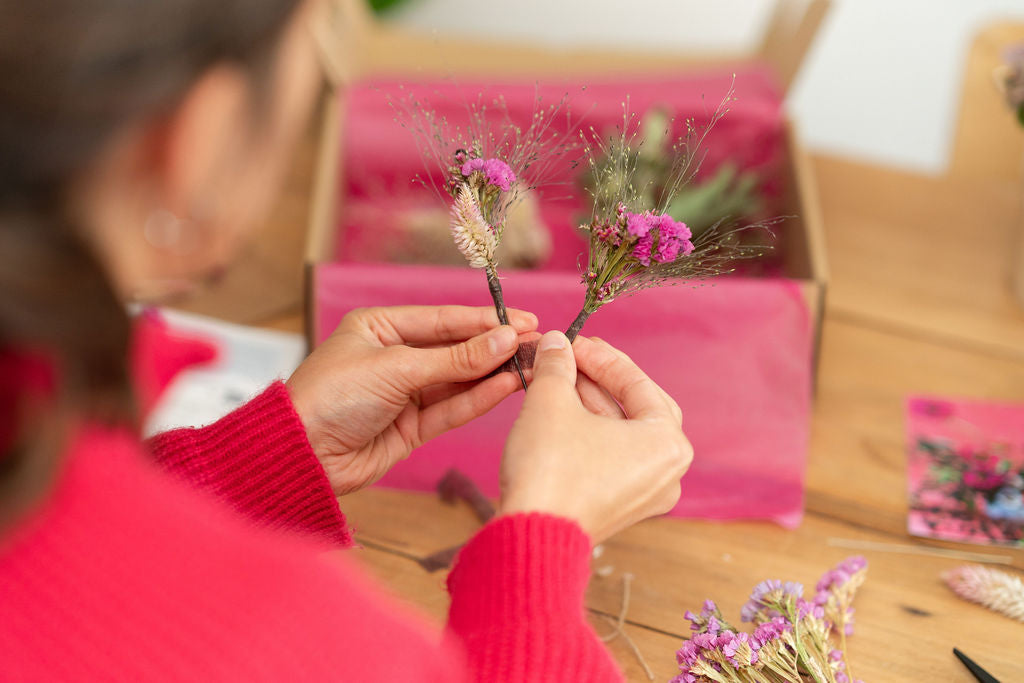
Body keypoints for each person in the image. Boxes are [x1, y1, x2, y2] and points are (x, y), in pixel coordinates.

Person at [0, 0, 693, 680]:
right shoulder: (306, 646)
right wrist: (539, 552)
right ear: (197, 136)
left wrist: (265, 460)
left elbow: (74, 558)